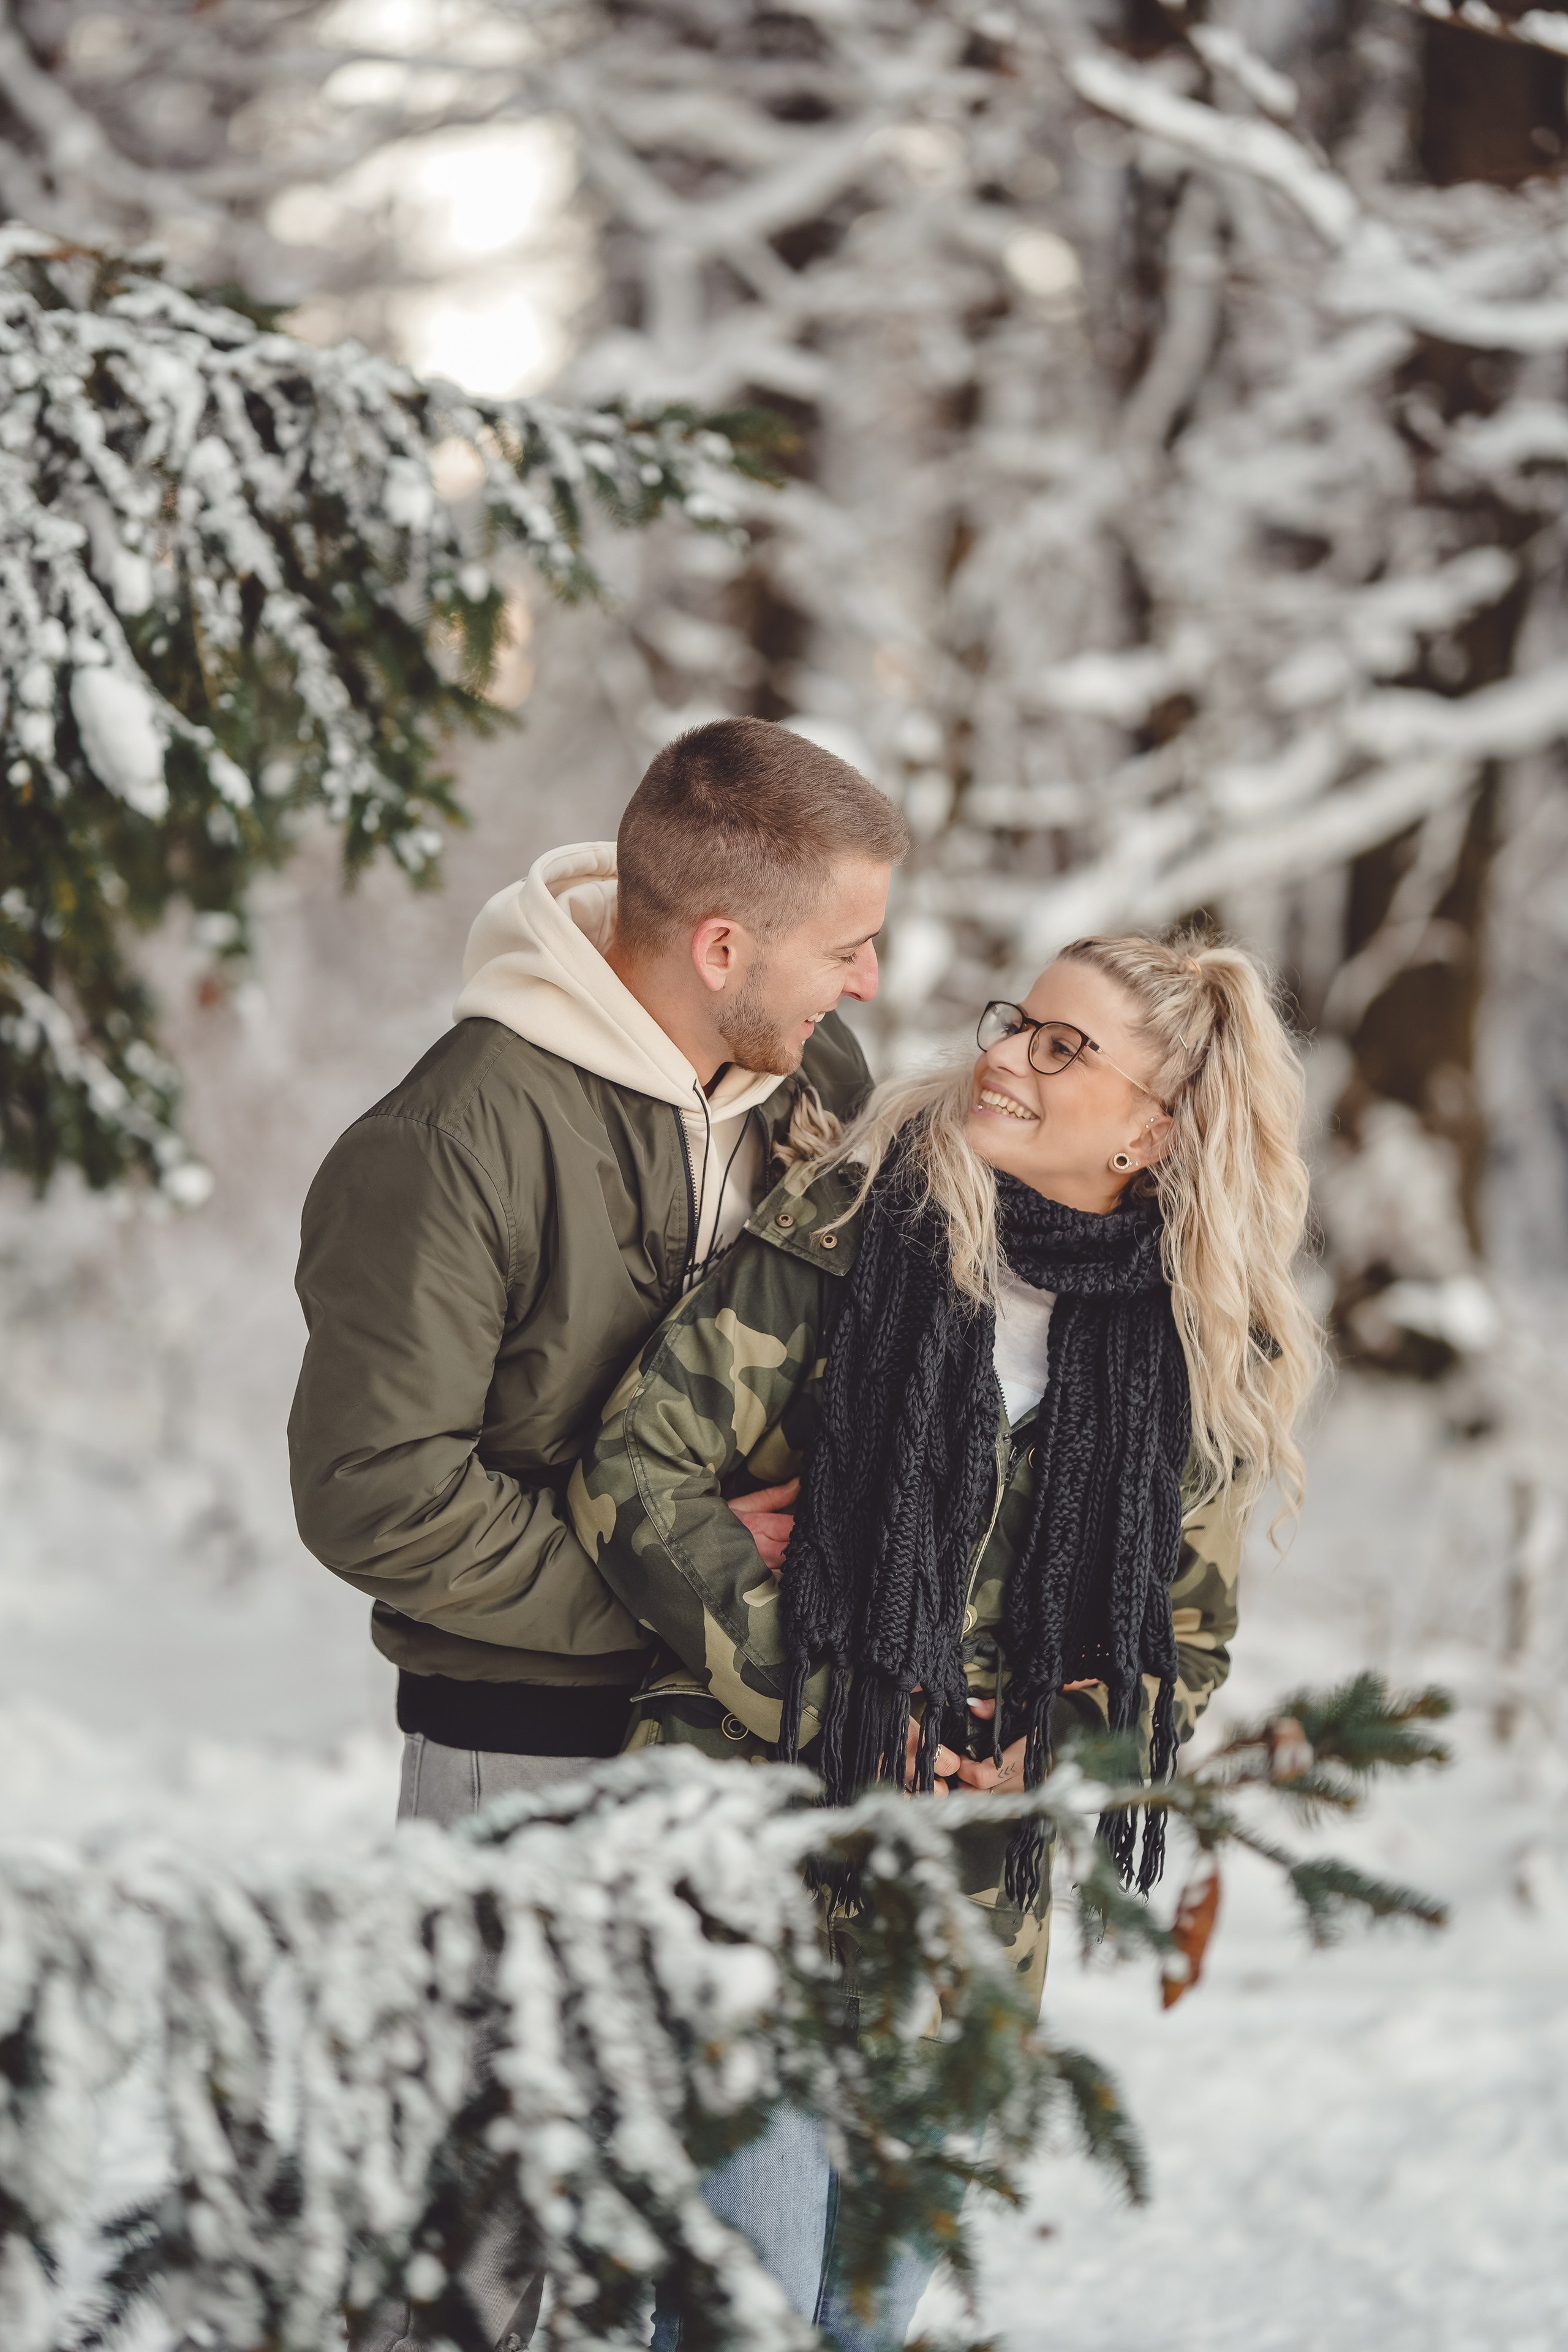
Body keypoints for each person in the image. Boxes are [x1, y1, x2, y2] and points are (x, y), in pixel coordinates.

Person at [571, 930, 1324, 2352]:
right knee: (746, 2307)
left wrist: (1064, 1748)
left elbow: (1182, 1642)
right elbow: (634, 1474)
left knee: (862, 2322)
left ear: (1153, 1134)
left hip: (967, 1914)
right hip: (750, 1839)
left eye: (1062, 1047)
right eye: (1014, 1021)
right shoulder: (853, 1234)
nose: (1005, 1057)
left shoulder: (1198, 1351)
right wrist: (833, 1689)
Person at [288, 716, 908, 2351]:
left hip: (743, 1750)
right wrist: (684, 1582)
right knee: (485, 2253)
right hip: (527, 1755)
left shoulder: (811, 1090)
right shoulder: (451, 1140)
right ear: (722, 947)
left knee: (685, 2250)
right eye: (846, 945)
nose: (868, 979)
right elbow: (374, 1490)